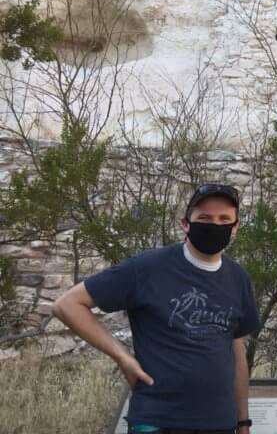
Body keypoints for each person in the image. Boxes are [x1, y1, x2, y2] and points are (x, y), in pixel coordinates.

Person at [52, 183, 261, 434]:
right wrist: (122, 357)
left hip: (218, 423)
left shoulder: (238, 278)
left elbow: (236, 353)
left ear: (235, 227)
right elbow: (67, 305)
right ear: (186, 223)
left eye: (224, 219)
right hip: (157, 420)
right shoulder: (147, 267)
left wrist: (243, 422)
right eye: (204, 217)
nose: (215, 225)